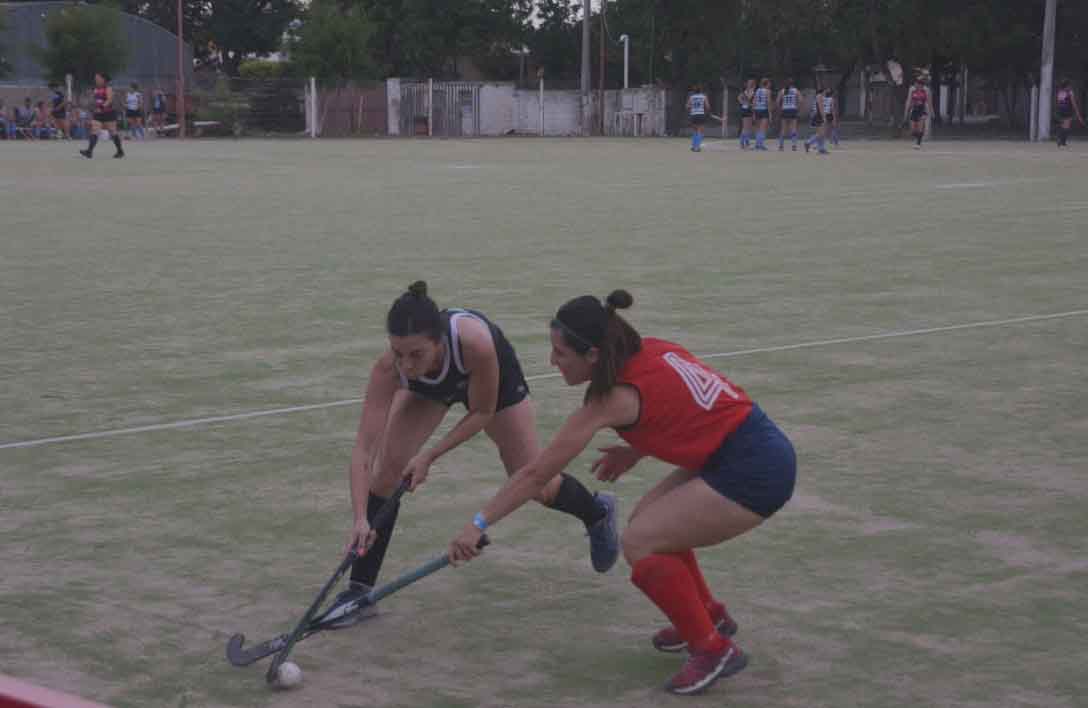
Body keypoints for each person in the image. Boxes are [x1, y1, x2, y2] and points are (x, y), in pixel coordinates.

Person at [449, 291, 797, 696]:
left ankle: (713, 649)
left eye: (560, 353)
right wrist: (637, 448)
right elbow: (694, 406)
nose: (552, 361)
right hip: (745, 447)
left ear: (593, 354)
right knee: (648, 520)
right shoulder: (652, 349)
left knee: (641, 541)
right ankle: (709, 617)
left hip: (755, 469)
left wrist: (478, 524)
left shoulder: (609, 399)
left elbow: (535, 475)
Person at [318, 282, 620, 628]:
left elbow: (481, 412)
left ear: (439, 342)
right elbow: (363, 451)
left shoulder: (476, 344)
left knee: (534, 483)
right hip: (432, 392)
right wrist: (360, 518)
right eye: (398, 353)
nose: (407, 364)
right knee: (388, 471)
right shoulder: (391, 369)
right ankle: (359, 592)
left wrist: (430, 456)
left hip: (493, 386)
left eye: (417, 354)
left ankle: (597, 511)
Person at [80, 72, 124, 159]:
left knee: (113, 132)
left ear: (103, 80)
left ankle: (120, 151)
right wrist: (90, 105)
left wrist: (101, 107)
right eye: (95, 78)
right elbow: (94, 100)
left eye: (97, 78)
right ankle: (89, 151)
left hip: (108, 113)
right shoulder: (96, 89)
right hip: (98, 114)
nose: (96, 80)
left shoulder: (108, 88)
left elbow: (109, 100)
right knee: (94, 130)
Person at [902, 75, 934, 150]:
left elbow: (929, 102)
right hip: (914, 110)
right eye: (915, 84)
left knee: (920, 127)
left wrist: (932, 112)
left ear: (921, 85)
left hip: (923, 110)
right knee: (913, 130)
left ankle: (918, 143)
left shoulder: (926, 90)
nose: (915, 85)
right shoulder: (912, 89)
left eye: (917, 84)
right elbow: (908, 101)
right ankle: (919, 137)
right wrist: (906, 112)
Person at [1055, 79, 1085, 148]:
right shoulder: (1069, 92)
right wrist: (1077, 112)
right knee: (1066, 126)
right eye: (1069, 85)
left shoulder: (1060, 92)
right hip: (1067, 110)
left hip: (1060, 110)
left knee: (1063, 125)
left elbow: (1059, 102)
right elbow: (1073, 102)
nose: (1070, 86)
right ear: (1067, 85)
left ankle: (1061, 141)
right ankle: (1061, 141)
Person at [777, 78, 801, 151]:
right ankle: (794, 145)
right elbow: (801, 100)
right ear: (793, 84)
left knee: (783, 128)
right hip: (793, 109)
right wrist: (797, 107)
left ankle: (781, 145)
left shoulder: (782, 91)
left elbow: (777, 101)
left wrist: (780, 109)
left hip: (784, 110)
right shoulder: (796, 90)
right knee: (793, 128)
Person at [804, 88, 829, 154]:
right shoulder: (819, 96)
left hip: (818, 115)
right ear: (823, 90)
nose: (827, 92)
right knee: (821, 133)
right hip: (819, 116)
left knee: (821, 134)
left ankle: (821, 148)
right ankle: (809, 142)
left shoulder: (819, 96)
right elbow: (821, 108)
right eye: (826, 90)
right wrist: (824, 117)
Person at [752, 78, 772, 151]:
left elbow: (754, 102)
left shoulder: (757, 91)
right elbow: (768, 102)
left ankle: (757, 144)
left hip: (757, 110)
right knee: (763, 129)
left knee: (758, 129)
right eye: (769, 83)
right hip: (764, 110)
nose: (770, 85)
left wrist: (753, 113)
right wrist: (770, 113)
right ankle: (761, 145)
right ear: (767, 84)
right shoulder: (768, 91)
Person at [687, 84, 708, 152]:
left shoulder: (691, 97)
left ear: (694, 91)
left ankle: (693, 146)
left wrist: (691, 107)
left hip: (693, 115)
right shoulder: (704, 97)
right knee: (700, 131)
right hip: (701, 114)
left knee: (695, 131)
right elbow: (707, 106)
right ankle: (697, 147)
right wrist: (705, 110)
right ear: (701, 90)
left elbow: (687, 106)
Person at [738, 79, 755, 149]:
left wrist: (743, 103)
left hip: (743, 109)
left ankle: (744, 143)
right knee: (747, 127)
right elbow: (753, 103)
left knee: (746, 127)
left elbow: (739, 98)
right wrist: (749, 104)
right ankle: (744, 143)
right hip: (748, 110)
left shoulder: (744, 92)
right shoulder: (752, 92)